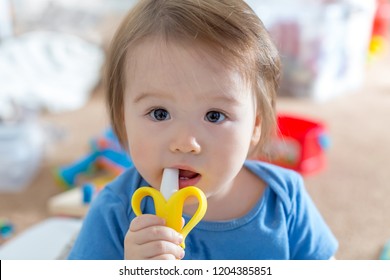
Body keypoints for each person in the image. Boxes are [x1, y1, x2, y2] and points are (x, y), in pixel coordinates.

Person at [68, 0, 338, 260]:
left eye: (214, 115)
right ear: (123, 120)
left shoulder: (285, 199)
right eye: (159, 113)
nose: (185, 143)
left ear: (255, 125)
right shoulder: (115, 211)